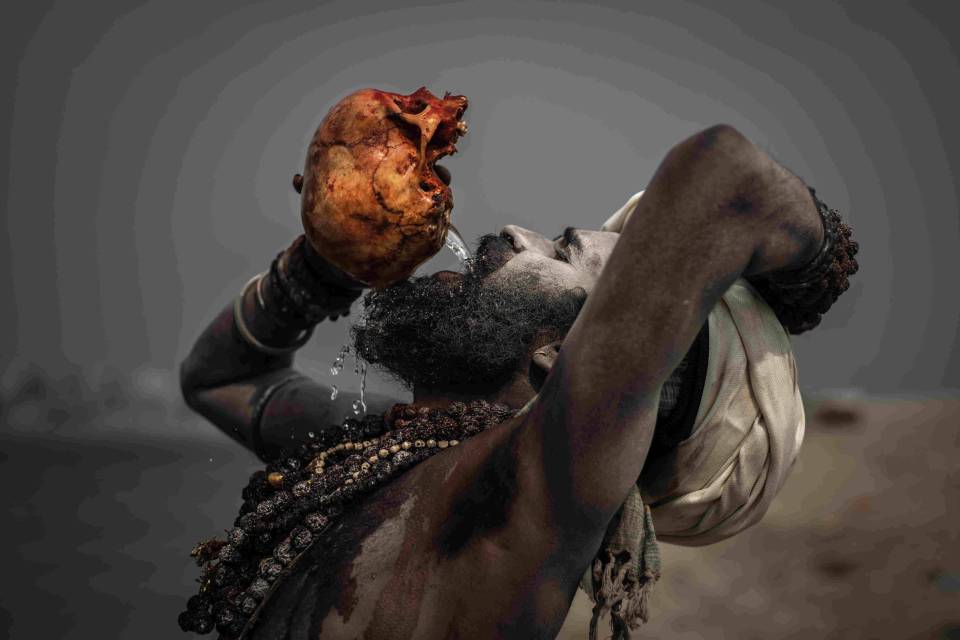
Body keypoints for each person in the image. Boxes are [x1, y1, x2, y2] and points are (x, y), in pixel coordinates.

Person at [178, 124, 858, 639]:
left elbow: (730, 178)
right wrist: (322, 263)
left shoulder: (522, 491)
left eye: (562, 250)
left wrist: (812, 278)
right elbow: (223, 379)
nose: (513, 231)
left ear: (566, 357)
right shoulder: (378, 456)